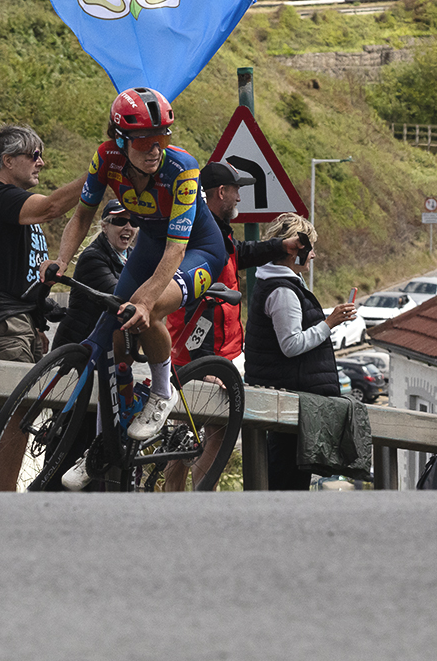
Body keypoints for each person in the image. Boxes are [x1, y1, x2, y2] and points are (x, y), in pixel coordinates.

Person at [45, 88, 228, 490]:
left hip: (196, 251)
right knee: (112, 332)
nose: (155, 149)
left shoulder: (183, 168)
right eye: (145, 142)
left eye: (162, 138)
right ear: (121, 140)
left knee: (149, 311)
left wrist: (145, 300)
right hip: (150, 245)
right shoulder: (106, 158)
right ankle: (102, 446)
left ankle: (163, 393)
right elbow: (81, 216)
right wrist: (61, 261)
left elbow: (177, 248)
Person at [0, 124, 85, 492]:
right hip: (1, 320)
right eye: (33, 155)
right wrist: (99, 175)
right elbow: (53, 207)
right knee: (20, 409)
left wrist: (42, 308)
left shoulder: (13, 201)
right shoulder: (1, 197)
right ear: (7, 161)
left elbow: (19, 268)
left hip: (20, 318)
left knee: (18, 410)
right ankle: (2, 496)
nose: (42, 161)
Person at [246, 213, 355, 490]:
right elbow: (291, 345)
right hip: (292, 397)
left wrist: (328, 321)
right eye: (311, 249)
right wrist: (329, 324)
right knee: (287, 477)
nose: (315, 255)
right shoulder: (283, 291)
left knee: (283, 472)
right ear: (297, 253)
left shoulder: (277, 283)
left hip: (289, 394)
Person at [165, 160, 300, 368]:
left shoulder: (215, 230)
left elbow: (241, 253)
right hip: (198, 362)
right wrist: (203, 363)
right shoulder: (200, 236)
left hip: (218, 355)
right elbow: (197, 304)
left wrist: (281, 246)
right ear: (221, 192)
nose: (239, 198)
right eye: (236, 190)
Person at [50, 199, 135, 349]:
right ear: (104, 227)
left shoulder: (133, 256)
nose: (128, 227)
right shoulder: (93, 257)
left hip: (106, 343)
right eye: (120, 221)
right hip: (78, 345)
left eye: (133, 221)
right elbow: (118, 296)